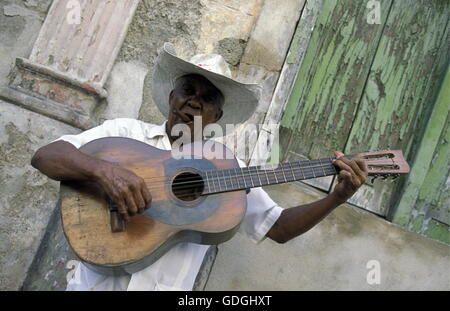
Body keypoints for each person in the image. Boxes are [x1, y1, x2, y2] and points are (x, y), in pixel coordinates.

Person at [31, 43, 368, 291]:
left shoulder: (226, 167)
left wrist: (336, 198)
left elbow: (276, 227)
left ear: (216, 116)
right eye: (187, 90)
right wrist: (104, 172)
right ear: (171, 96)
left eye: (206, 98)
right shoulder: (124, 134)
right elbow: (46, 155)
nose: (193, 101)